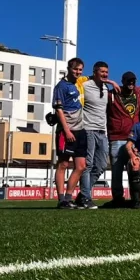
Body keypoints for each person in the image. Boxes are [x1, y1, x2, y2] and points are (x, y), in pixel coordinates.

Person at [74, 61, 116, 210]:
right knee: (88, 165)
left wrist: (111, 83)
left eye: (106, 72)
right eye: (102, 71)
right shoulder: (85, 85)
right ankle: (86, 197)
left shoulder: (106, 88)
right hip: (87, 129)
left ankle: (82, 195)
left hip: (102, 131)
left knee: (102, 165)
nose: (105, 74)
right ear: (94, 72)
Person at [51, 57, 88, 210]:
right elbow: (58, 110)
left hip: (80, 130)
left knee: (81, 166)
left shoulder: (76, 84)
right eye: (75, 69)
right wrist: (66, 131)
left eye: (80, 70)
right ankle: (61, 200)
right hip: (67, 131)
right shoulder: (61, 86)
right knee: (63, 164)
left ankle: (68, 197)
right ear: (68, 69)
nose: (78, 72)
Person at [104, 71, 138, 206]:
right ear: (122, 81)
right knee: (117, 170)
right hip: (117, 137)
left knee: (134, 168)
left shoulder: (139, 93)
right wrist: (110, 82)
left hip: (133, 138)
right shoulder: (111, 94)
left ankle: (135, 198)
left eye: (133, 81)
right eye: (128, 81)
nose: (131, 83)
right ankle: (118, 198)